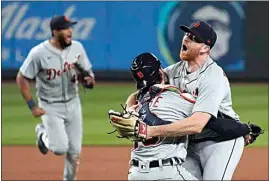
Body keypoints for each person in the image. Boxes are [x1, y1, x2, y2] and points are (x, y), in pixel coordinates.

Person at [110, 52, 262, 180]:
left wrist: (129, 110)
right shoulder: (174, 99)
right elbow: (210, 123)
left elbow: (134, 96)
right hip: (166, 172)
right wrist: (245, 129)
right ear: (161, 71)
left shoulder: (137, 105)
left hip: (135, 173)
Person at [126, 21, 246, 180]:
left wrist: (151, 131)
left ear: (205, 48)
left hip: (222, 140)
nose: (186, 39)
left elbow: (197, 124)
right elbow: (143, 93)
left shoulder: (213, 76)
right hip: (191, 140)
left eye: (194, 38)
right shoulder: (174, 71)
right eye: (187, 34)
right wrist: (129, 109)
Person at [16, 15, 95, 180]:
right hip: (50, 106)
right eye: (65, 28)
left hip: (73, 103)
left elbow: (88, 75)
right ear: (55, 31)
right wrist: (32, 105)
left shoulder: (77, 48)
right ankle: (42, 134)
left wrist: (88, 80)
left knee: (74, 152)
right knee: (59, 148)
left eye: (70, 27)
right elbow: (21, 77)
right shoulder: (39, 53)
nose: (70, 31)